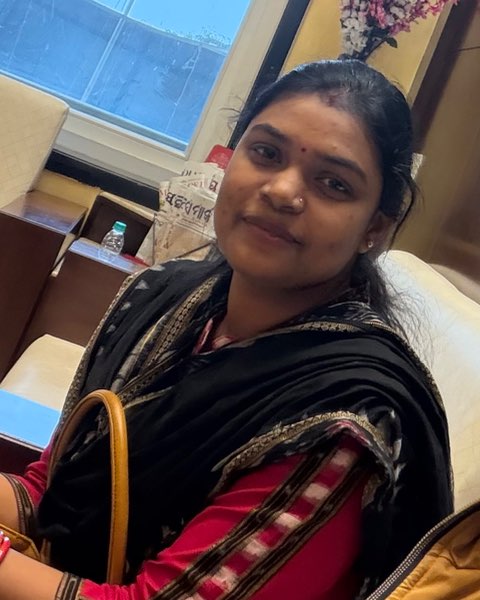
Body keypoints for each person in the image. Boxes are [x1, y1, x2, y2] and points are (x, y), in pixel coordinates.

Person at [0, 59, 452, 600]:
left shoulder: (341, 420)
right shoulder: (160, 299)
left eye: (333, 183)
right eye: (266, 153)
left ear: (374, 228)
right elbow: (49, 491)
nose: (282, 190)